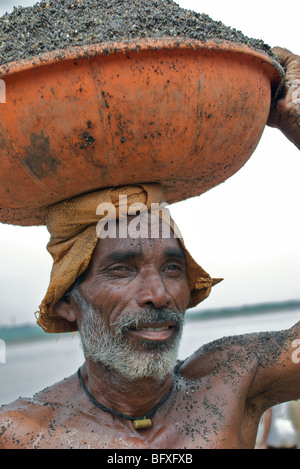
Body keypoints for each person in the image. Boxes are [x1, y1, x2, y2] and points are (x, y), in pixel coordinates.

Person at [0, 47, 299, 450]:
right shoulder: (23, 433)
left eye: (173, 268)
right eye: (122, 269)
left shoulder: (232, 379)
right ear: (67, 301)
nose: (159, 295)